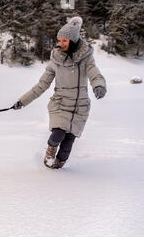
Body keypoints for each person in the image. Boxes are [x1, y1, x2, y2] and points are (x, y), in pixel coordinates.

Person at [12, 16, 107, 169]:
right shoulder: (55, 61)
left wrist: (99, 86)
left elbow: (94, 73)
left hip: (80, 107)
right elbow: (42, 85)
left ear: (73, 40)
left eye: (64, 40)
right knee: (58, 135)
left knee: (68, 144)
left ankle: (58, 166)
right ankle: (49, 154)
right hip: (61, 103)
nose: (60, 43)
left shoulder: (86, 59)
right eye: (59, 40)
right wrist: (22, 101)